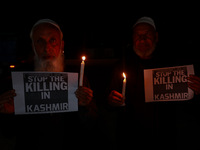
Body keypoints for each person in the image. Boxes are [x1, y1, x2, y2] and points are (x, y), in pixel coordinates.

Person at [0, 19, 98, 150]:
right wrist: (7, 114)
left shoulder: (77, 78)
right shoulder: (17, 80)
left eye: (52, 40)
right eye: (40, 41)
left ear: (61, 45)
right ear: (33, 46)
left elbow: (91, 126)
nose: (47, 48)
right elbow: (8, 132)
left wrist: (85, 107)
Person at [106, 16, 200, 149]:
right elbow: (108, 103)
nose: (142, 39)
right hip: (130, 138)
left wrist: (196, 90)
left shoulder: (172, 65)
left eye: (147, 34)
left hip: (165, 138)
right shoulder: (121, 66)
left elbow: (189, 106)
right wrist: (112, 100)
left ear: (156, 37)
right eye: (138, 35)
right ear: (132, 38)